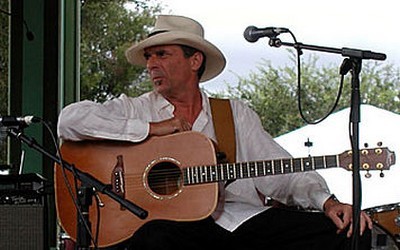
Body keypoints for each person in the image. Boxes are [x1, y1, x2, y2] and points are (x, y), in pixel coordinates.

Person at [57, 15, 372, 250]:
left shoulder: (232, 114)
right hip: (170, 230)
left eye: (161, 54)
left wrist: (328, 201)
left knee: (350, 232)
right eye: (148, 56)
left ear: (194, 60)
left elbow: (282, 172)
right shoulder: (135, 110)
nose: (151, 63)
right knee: (154, 240)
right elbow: (70, 120)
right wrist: (152, 129)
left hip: (239, 223)